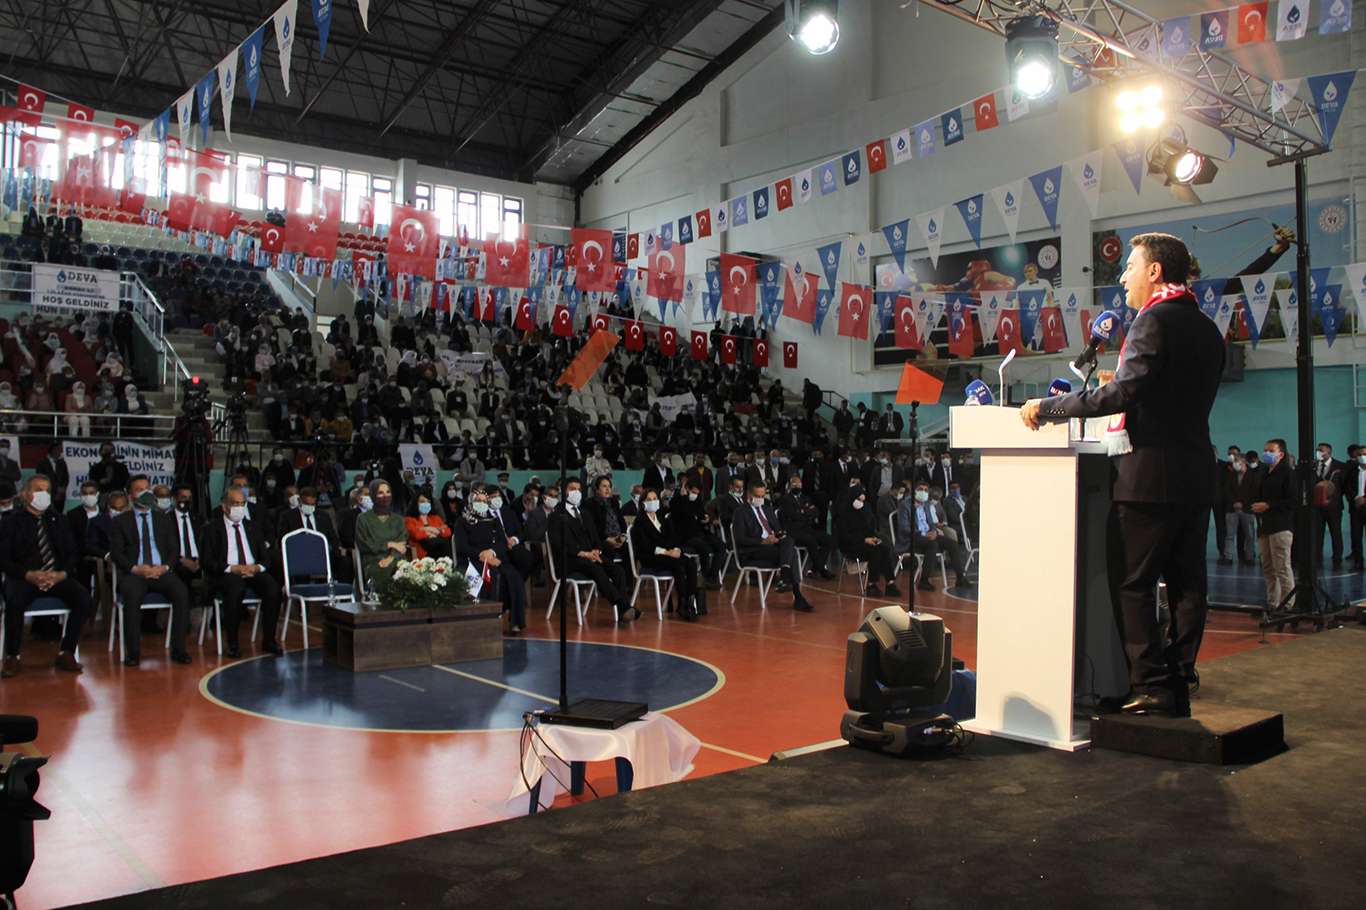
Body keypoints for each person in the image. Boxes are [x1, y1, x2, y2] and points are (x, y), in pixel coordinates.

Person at [1021, 232, 1224, 717]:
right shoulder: (1206, 327)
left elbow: (1122, 395)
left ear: (1155, 271)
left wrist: (1050, 407)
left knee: (1133, 583)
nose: (1123, 276)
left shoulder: (1153, 320)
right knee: (1188, 585)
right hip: (1196, 474)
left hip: (1148, 478)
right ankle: (1179, 677)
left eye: (1130, 267)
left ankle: (1151, 685)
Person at [0, 475, 89, 677]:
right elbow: (3, 558)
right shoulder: (10, 522)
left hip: (56, 576)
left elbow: (73, 553)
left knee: (83, 597)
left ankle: (67, 651)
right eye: (38, 490)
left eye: (47, 491)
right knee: (14, 600)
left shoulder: (60, 520)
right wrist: (28, 574)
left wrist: (61, 574)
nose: (44, 494)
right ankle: (12, 656)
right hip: (24, 578)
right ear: (25, 494)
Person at [109, 476, 192, 666]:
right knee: (132, 596)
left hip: (161, 571)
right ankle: (133, 653)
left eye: (147, 488)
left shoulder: (163, 519)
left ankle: (179, 650)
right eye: (139, 490)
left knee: (181, 592)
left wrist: (165, 567)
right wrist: (136, 569)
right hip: (135, 573)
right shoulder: (121, 521)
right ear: (130, 495)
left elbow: (174, 549)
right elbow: (117, 553)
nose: (145, 493)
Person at [200, 487, 282, 658]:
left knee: (273, 588)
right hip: (227, 573)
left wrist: (257, 567)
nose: (239, 508)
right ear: (225, 506)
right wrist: (232, 568)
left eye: (242, 504)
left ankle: (269, 640)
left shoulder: (253, 527)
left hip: (252, 570)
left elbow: (265, 558)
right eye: (235, 504)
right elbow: (207, 562)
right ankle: (233, 643)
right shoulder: (211, 529)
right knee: (235, 587)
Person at [547, 478, 637, 623]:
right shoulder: (556, 516)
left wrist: (597, 551)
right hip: (569, 560)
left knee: (618, 570)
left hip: (591, 556)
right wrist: (583, 553)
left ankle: (623, 612)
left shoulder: (585, 514)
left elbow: (595, 538)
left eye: (578, 489)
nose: (576, 492)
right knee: (595, 568)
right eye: (572, 489)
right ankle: (623, 606)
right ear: (563, 491)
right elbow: (558, 544)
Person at [454, 486, 528, 633]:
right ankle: (484, 622)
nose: (481, 504)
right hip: (473, 560)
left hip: (495, 558)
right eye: (478, 501)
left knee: (514, 577)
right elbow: (462, 546)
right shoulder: (462, 522)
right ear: (471, 502)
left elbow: (503, 543)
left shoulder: (494, 520)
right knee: (491, 576)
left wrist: (492, 553)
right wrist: (482, 555)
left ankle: (515, 622)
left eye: (484, 501)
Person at [732, 483, 813, 612]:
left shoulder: (767, 509)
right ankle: (796, 595)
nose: (760, 499)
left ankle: (785, 574)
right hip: (754, 550)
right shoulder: (740, 512)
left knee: (788, 540)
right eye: (757, 496)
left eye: (762, 496)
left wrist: (778, 536)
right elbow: (740, 539)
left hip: (773, 545)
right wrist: (763, 541)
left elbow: (778, 529)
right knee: (792, 553)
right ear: (749, 495)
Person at [631, 489, 704, 620]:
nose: (653, 501)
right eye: (649, 499)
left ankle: (690, 601)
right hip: (651, 557)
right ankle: (682, 603)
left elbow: (673, 538)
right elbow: (644, 546)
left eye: (655, 498)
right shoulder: (640, 521)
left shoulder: (662, 519)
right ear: (643, 503)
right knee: (678, 564)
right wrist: (666, 552)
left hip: (669, 554)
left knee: (691, 563)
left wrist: (676, 549)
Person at [898, 481, 972, 592]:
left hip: (928, 535)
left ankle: (960, 578)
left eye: (926, 490)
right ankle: (924, 580)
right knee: (933, 544)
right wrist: (924, 534)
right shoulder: (905, 505)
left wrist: (934, 532)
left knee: (952, 543)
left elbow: (931, 523)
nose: (923, 492)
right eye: (920, 489)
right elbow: (904, 528)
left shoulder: (926, 504)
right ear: (914, 491)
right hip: (913, 537)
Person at [1252, 439, 1295, 611]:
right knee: (1268, 567)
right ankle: (1272, 603)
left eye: (1271, 451)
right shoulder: (1264, 472)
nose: (1266, 453)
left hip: (1281, 525)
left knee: (1282, 567)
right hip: (1265, 526)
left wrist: (1268, 505)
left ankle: (1288, 604)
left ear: (1281, 454)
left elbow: (1292, 501)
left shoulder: (1288, 473)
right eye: (1265, 450)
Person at [835, 487, 901, 598]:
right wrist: (864, 540)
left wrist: (874, 538)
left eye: (862, 500)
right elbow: (844, 536)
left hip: (867, 542)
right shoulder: (843, 514)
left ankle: (890, 582)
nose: (860, 503)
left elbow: (870, 528)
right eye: (858, 500)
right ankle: (871, 584)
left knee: (884, 548)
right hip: (851, 545)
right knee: (875, 552)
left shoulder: (865, 509)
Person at [775, 474, 835, 579]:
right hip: (793, 531)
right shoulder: (785, 499)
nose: (797, 486)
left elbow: (816, 512)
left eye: (799, 484)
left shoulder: (805, 498)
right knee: (811, 540)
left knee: (828, 540)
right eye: (794, 484)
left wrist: (802, 512)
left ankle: (816, 568)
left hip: (807, 529)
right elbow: (793, 515)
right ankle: (822, 569)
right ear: (789, 485)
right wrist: (806, 512)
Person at [355, 480, 409, 586]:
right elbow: (365, 544)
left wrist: (390, 558)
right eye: (380, 493)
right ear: (373, 495)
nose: (385, 496)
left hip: (397, 559)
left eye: (388, 492)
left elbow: (401, 544)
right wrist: (389, 544)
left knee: (410, 573)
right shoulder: (363, 519)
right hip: (374, 561)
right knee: (384, 572)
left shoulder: (398, 519)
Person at [1310, 442, 1345, 568]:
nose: (1318, 452)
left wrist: (1333, 498)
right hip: (1317, 507)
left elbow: (1343, 486)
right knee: (1317, 534)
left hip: (1334, 507)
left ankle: (1337, 559)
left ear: (1329, 452)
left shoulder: (1340, 466)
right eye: (1317, 450)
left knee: (1336, 533)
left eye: (1321, 450)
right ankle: (1317, 559)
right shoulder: (1312, 466)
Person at [1224, 451, 1258, 567]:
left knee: (1250, 536)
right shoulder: (1231, 475)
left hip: (1247, 509)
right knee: (1229, 535)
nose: (1234, 463)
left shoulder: (1252, 475)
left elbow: (1254, 492)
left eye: (1236, 461)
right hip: (1232, 509)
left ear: (1243, 462)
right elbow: (1227, 490)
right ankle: (1228, 557)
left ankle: (1249, 557)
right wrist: (1234, 502)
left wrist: (1242, 503)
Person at [405, 492, 452, 559]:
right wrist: (431, 530)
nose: (426, 504)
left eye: (428, 502)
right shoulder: (410, 520)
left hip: (439, 550)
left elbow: (448, 531)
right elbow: (416, 535)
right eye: (422, 501)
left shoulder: (436, 518)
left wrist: (428, 530)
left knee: (445, 541)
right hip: (423, 553)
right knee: (442, 542)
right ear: (416, 504)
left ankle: (445, 562)